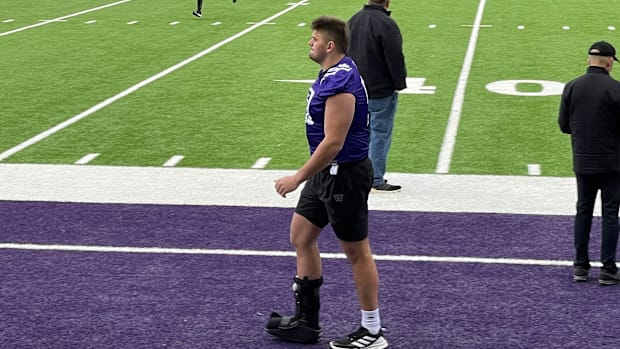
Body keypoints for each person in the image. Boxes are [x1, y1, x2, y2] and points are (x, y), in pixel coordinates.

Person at [265, 15, 389, 349]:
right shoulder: (332, 74)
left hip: (344, 175)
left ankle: (372, 330)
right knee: (301, 235)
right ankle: (307, 321)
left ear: (329, 45)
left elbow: (334, 141)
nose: (310, 42)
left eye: (315, 39)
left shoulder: (341, 82)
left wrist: (297, 177)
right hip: (327, 173)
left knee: (356, 252)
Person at [558, 40, 620, 285]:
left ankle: (580, 266)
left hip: (582, 160)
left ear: (589, 60)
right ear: (609, 62)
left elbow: (564, 126)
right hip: (612, 162)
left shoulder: (572, 86)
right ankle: (607, 268)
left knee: (583, 210)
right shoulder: (616, 89)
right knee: (610, 214)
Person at [347, 0, 407, 192]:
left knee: (357, 133)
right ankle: (375, 178)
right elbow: (394, 56)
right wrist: (399, 83)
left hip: (354, 89)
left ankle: (354, 175)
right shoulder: (386, 23)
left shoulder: (353, 20)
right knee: (379, 133)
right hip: (379, 89)